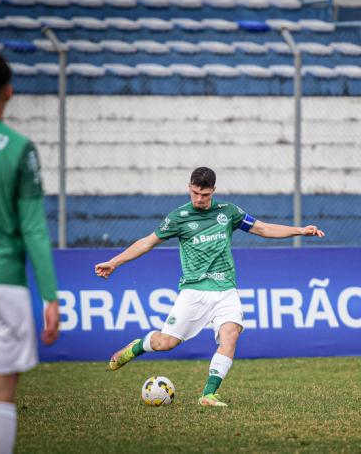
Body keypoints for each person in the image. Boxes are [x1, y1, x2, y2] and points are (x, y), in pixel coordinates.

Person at [95, 167, 324, 407]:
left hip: (226, 289)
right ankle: (136, 348)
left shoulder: (228, 212)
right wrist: (114, 262)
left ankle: (208, 394)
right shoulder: (178, 217)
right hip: (194, 291)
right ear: (189, 188)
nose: (199, 199)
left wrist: (300, 230)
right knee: (165, 343)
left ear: (213, 190)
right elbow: (147, 243)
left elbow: (263, 228)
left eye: (204, 194)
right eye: (194, 193)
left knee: (230, 334)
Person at [0, 54, 60, 454]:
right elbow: (34, 227)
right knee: (1, 394)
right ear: (9, 90)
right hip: (6, 284)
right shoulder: (20, 148)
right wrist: (50, 296)